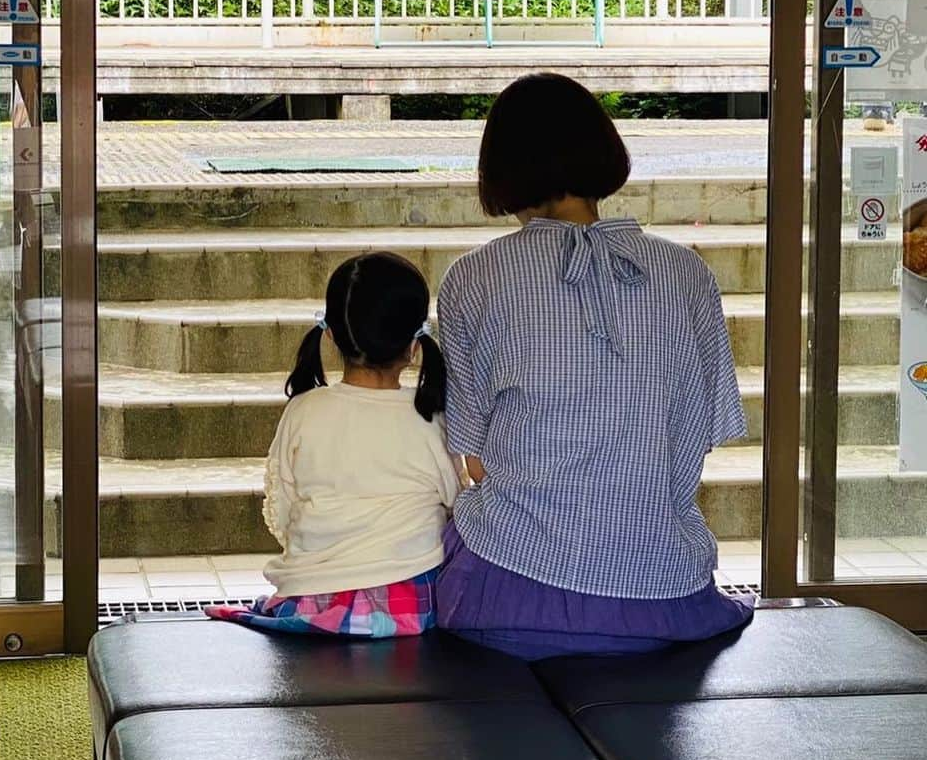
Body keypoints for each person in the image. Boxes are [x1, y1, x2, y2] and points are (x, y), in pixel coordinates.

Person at [435, 72, 753, 660]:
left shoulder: (473, 278)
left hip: (507, 593)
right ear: (603, 150)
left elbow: (473, 459)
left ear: (501, 167)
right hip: (666, 594)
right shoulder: (686, 275)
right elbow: (701, 437)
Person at [206, 252, 462, 638]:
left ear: (330, 335)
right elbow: (455, 504)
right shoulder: (431, 418)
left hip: (312, 597)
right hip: (411, 604)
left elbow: (282, 506)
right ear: (414, 345)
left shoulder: (304, 410)